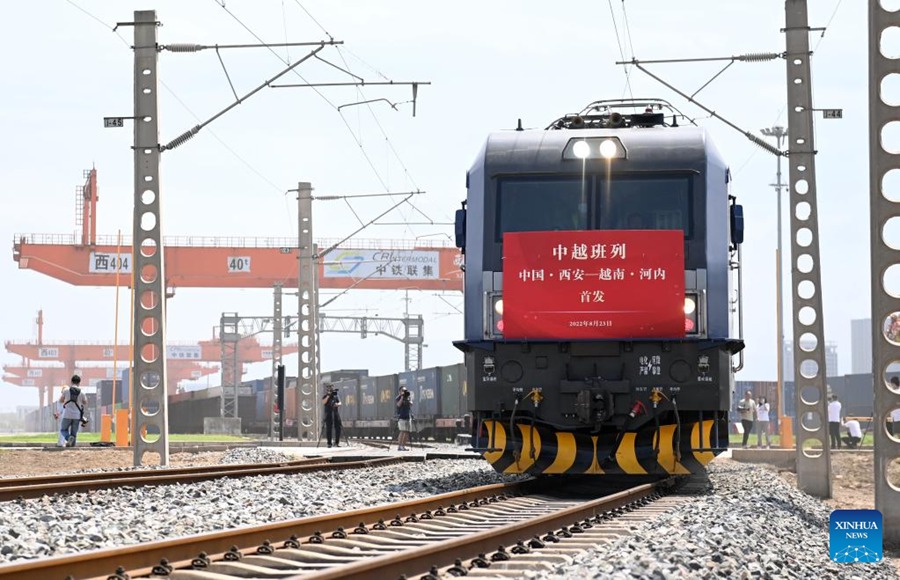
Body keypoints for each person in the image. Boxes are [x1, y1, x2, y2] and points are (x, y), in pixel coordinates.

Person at [54, 374, 88, 448]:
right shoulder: (82, 392)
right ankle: (72, 447)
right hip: (77, 416)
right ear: (79, 382)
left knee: (63, 429)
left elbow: (61, 400)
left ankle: (68, 438)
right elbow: (85, 402)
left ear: (71, 382)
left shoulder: (66, 390)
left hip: (67, 414)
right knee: (74, 433)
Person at [321, 383, 342, 448]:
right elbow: (324, 402)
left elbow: (340, 402)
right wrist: (328, 396)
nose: (330, 389)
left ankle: (337, 442)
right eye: (329, 388)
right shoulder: (325, 396)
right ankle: (329, 443)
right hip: (328, 413)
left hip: (335, 413)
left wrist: (337, 404)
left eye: (331, 388)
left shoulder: (336, 395)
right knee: (329, 428)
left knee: (338, 427)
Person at [395, 386, 413, 451]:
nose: (404, 391)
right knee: (402, 431)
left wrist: (408, 399)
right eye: (403, 390)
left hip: (408, 416)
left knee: (407, 432)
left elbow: (411, 404)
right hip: (401, 417)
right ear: (400, 391)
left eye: (405, 390)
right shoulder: (398, 398)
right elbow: (398, 405)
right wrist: (402, 397)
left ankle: (403, 446)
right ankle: (399, 446)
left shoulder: (408, 397)